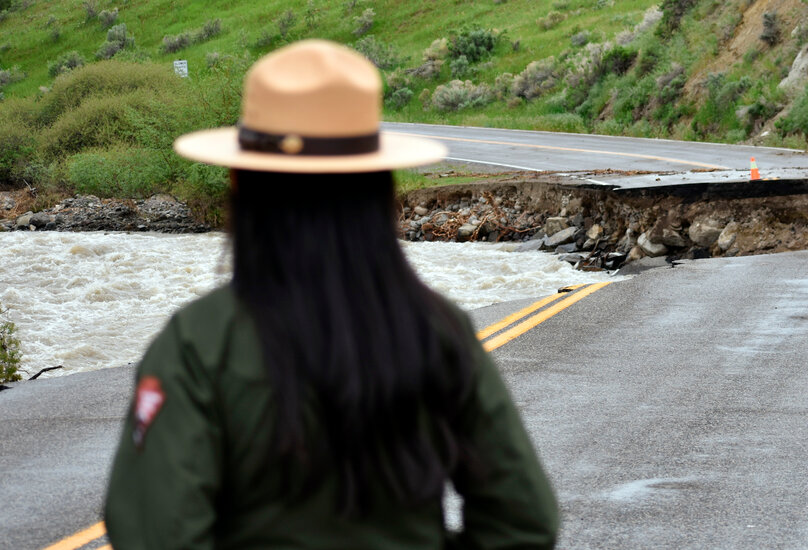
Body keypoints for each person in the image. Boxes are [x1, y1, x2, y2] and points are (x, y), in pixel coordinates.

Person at [104, 39, 558, 549]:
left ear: (239, 184)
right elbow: (524, 522)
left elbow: (156, 534)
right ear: (381, 187)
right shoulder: (439, 329)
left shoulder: (199, 344)